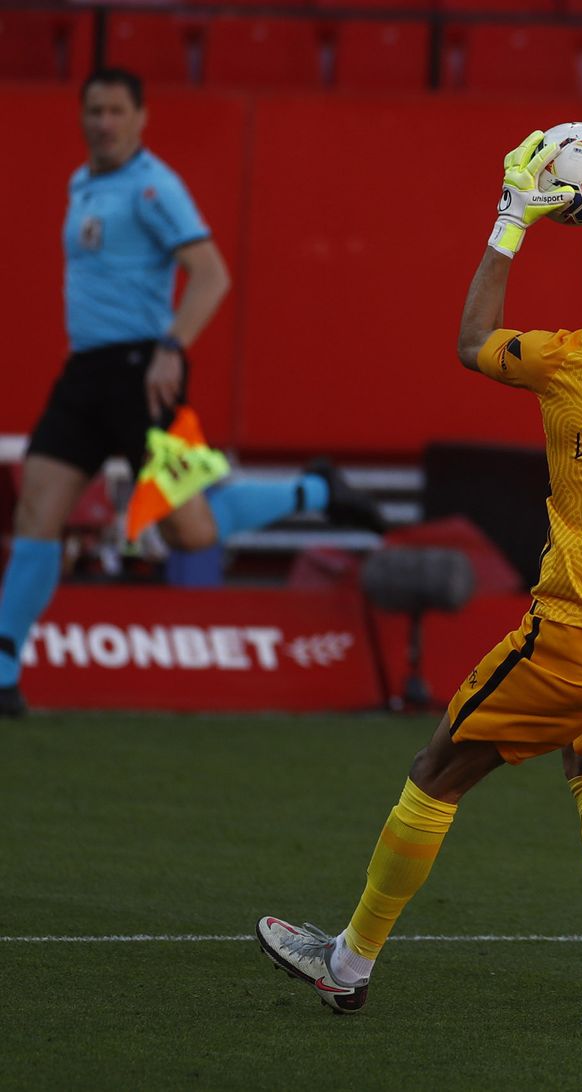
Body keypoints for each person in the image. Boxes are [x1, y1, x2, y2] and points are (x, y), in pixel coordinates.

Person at [257, 130, 582, 1026]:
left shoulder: (566, 360)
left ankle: (348, 963)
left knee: (435, 769)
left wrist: (513, 220)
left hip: (577, 634)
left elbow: (472, 338)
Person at [0, 68, 381, 718]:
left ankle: (318, 490)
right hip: (84, 377)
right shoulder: (82, 182)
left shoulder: (155, 187)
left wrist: (170, 348)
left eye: (117, 111)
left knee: (192, 532)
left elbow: (211, 275)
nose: (104, 123)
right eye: (95, 111)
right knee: (37, 508)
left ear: (141, 117)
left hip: (143, 375)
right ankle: (4, 671)